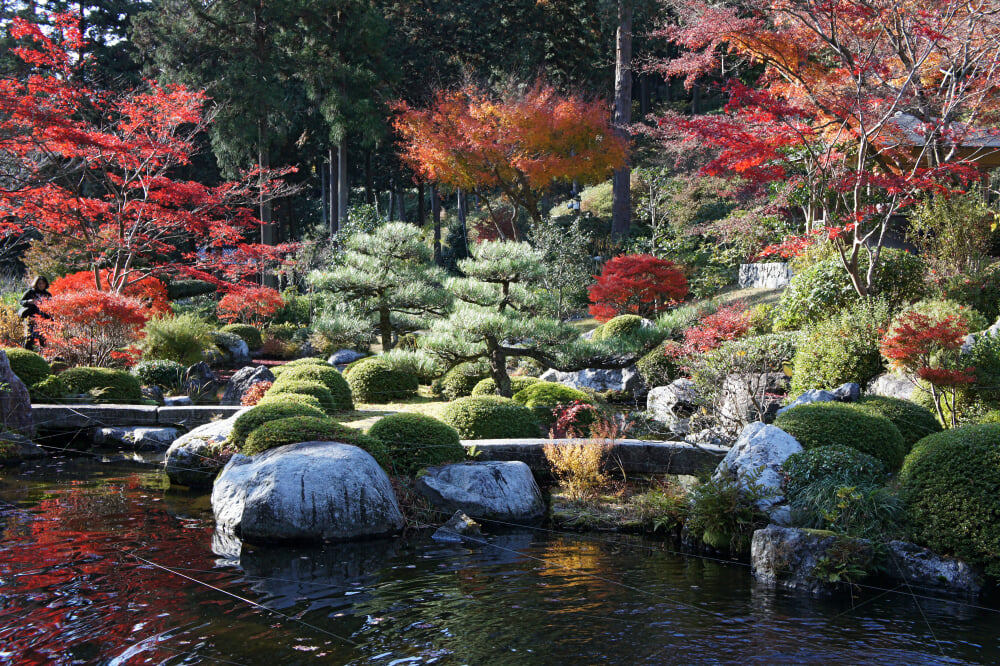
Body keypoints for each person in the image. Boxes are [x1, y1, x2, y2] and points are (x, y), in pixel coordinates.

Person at [19, 276, 51, 350]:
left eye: (43, 283)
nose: (41, 285)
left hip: (43, 320)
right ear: (36, 284)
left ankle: (43, 359)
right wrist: (28, 301)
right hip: (31, 319)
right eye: (39, 283)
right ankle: (27, 356)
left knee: (43, 341)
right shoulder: (30, 292)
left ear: (45, 284)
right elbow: (21, 301)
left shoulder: (47, 294)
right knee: (29, 339)